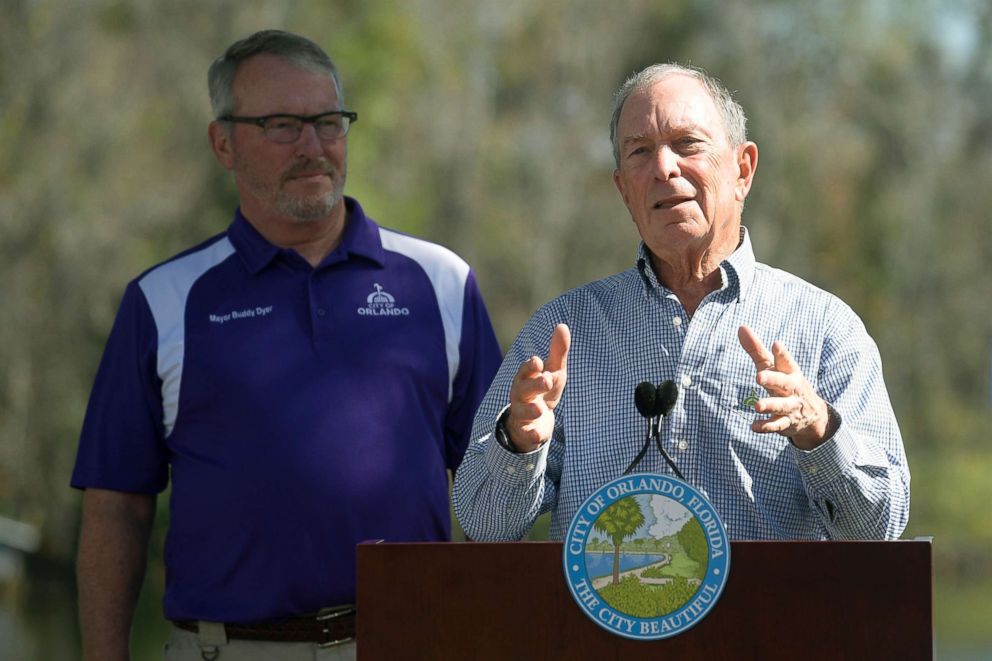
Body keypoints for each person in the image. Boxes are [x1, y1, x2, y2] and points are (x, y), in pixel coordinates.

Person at [72, 29, 501, 661]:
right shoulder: (164, 301)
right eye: (280, 125)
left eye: (328, 122)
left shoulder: (441, 282)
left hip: (411, 639)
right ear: (223, 143)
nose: (312, 146)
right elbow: (117, 510)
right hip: (226, 649)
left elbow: (497, 488)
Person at [452, 63, 909, 544]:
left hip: (771, 619)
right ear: (624, 190)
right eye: (640, 152)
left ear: (743, 170)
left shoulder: (824, 327)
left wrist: (818, 429)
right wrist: (518, 443)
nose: (664, 168)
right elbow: (484, 527)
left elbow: (879, 529)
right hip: (601, 620)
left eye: (687, 144)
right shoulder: (564, 331)